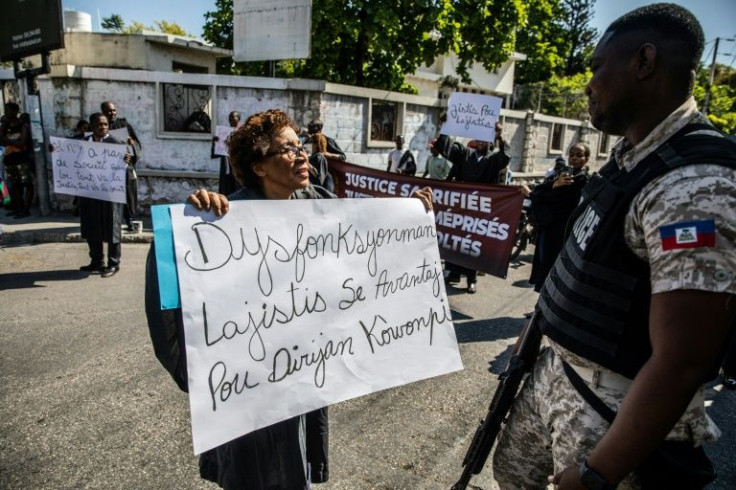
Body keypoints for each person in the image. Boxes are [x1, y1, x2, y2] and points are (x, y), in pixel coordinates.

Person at [492, 5, 735, 489]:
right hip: (554, 374)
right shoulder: (629, 161)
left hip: (612, 412)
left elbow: (681, 361)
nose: (588, 85)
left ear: (643, 62)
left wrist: (598, 474)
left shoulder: (694, 185)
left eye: (598, 67)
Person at [145, 108, 433, 489]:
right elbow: (170, 288)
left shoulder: (318, 204)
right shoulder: (222, 218)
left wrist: (410, 214)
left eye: (302, 147)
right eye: (289, 149)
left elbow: (367, 254)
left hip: (302, 382)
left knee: (297, 472)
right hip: (248, 395)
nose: (303, 156)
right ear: (259, 167)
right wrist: (191, 220)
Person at [436, 120, 510, 294]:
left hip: (479, 210)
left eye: (486, 139)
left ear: (490, 141)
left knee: (472, 244)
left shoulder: (493, 159)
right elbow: (445, 149)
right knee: (456, 240)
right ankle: (453, 273)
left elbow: (505, 157)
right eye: (480, 139)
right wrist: (445, 128)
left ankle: (471, 279)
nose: (482, 142)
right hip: (460, 207)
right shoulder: (464, 153)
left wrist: (500, 136)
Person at [75, 112, 133, 278]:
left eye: (105, 124)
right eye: (99, 124)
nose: (103, 127)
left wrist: (126, 162)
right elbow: (71, 161)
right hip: (90, 193)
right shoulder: (83, 143)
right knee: (91, 226)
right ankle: (96, 261)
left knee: (112, 227)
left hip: (110, 194)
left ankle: (113, 264)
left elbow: (126, 171)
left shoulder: (117, 144)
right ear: (91, 126)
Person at [528, 143, 591, 292]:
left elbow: (563, 203)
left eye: (579, 155)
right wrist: (555, 185)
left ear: (586, 159)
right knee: (544, 263)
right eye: (572, 155)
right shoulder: (561, 175)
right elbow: (538, 192)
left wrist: (552, 193)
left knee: (554, 268)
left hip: (564, 232)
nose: (574, 158)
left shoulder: (584, 181)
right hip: (548, 228)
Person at [101, 101, 141, 230]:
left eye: (113, 110)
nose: (112, 113)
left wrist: (132, 145)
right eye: (108, 111)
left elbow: (136, 144)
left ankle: (129, 220)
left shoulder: (123, 125)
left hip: (125, 167)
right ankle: (111, 223)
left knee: (128, 194)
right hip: (107, 169)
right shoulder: (99, 127)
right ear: (103, 112)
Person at [1, 103, 33, 218]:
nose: (6, 112)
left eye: (8, 110)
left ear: (15, 111)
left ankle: (26, 209)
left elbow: (22, 143)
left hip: (21, 158)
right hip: (9, 159)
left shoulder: (23, 125)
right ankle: (18, 208)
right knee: (15, 185)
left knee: (26, 183)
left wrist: (7, 140)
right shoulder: (5, 125)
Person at [211, 110, 241, 196]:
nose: (231, 119)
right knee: (226, 194)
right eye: (230, 118)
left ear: (238, 119)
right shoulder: (223, 133)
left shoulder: (242, 133)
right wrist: (215, 144)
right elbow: (215, 154)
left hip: (238, 170)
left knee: (237, 194)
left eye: (233, 117)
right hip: (227, 171)